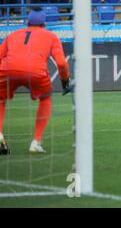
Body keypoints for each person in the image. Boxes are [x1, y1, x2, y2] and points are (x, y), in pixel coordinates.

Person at [0, 10, 72, 154]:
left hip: (7, 69)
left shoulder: (13, 35)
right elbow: (62, 64)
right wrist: (65, 82)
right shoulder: (51, 36)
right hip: (36, 71)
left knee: (0, 99)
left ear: (27, 22)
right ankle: (36, 142)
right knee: (45, 99)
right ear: (44, 24)